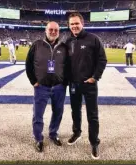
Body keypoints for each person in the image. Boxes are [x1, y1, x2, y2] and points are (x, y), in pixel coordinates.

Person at [65, 12, 107, 159]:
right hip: (74, 84)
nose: (74, 26)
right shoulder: (68, 40)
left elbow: (102, 60)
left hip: (89, 84)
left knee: (92, 115)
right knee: (75, 111)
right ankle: (77, 133)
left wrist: (95, 77)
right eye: (72, 24)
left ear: (82, 24)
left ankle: (94, 142)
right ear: (69, 26)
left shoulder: (93, 39)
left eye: (77, 23)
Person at [26, 21, 69, 152]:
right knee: (38, 114)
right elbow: (28, 64)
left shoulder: (63, 47)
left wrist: (64, 82)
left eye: (56, 30)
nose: (53, 32)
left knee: (58, 113)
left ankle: (53, 134)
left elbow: (68, 66)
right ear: (46, 30)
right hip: (41, 87)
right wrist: (33, 81)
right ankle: (38, 138)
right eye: (50, 29)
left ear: (59, 32)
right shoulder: (37, 45)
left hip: (59, 87)